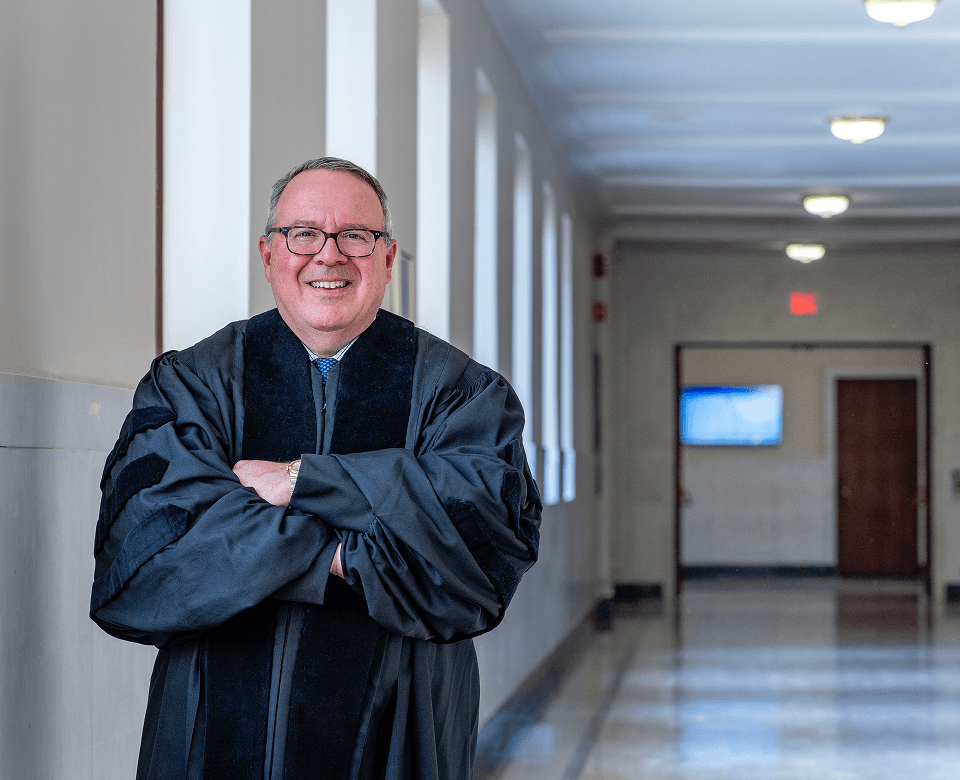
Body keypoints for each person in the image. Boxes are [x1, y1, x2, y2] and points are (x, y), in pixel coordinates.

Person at [90, 157, 542, 780]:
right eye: (303, 234)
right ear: (269, 252)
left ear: (386, 258)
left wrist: (304, 481)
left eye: (356, 236)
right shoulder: (193, 383)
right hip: (212, 720)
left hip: (401, 722)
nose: (328, 255)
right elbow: (145, 557)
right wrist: (347, 550)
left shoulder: (462, 392)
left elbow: (479, 561)